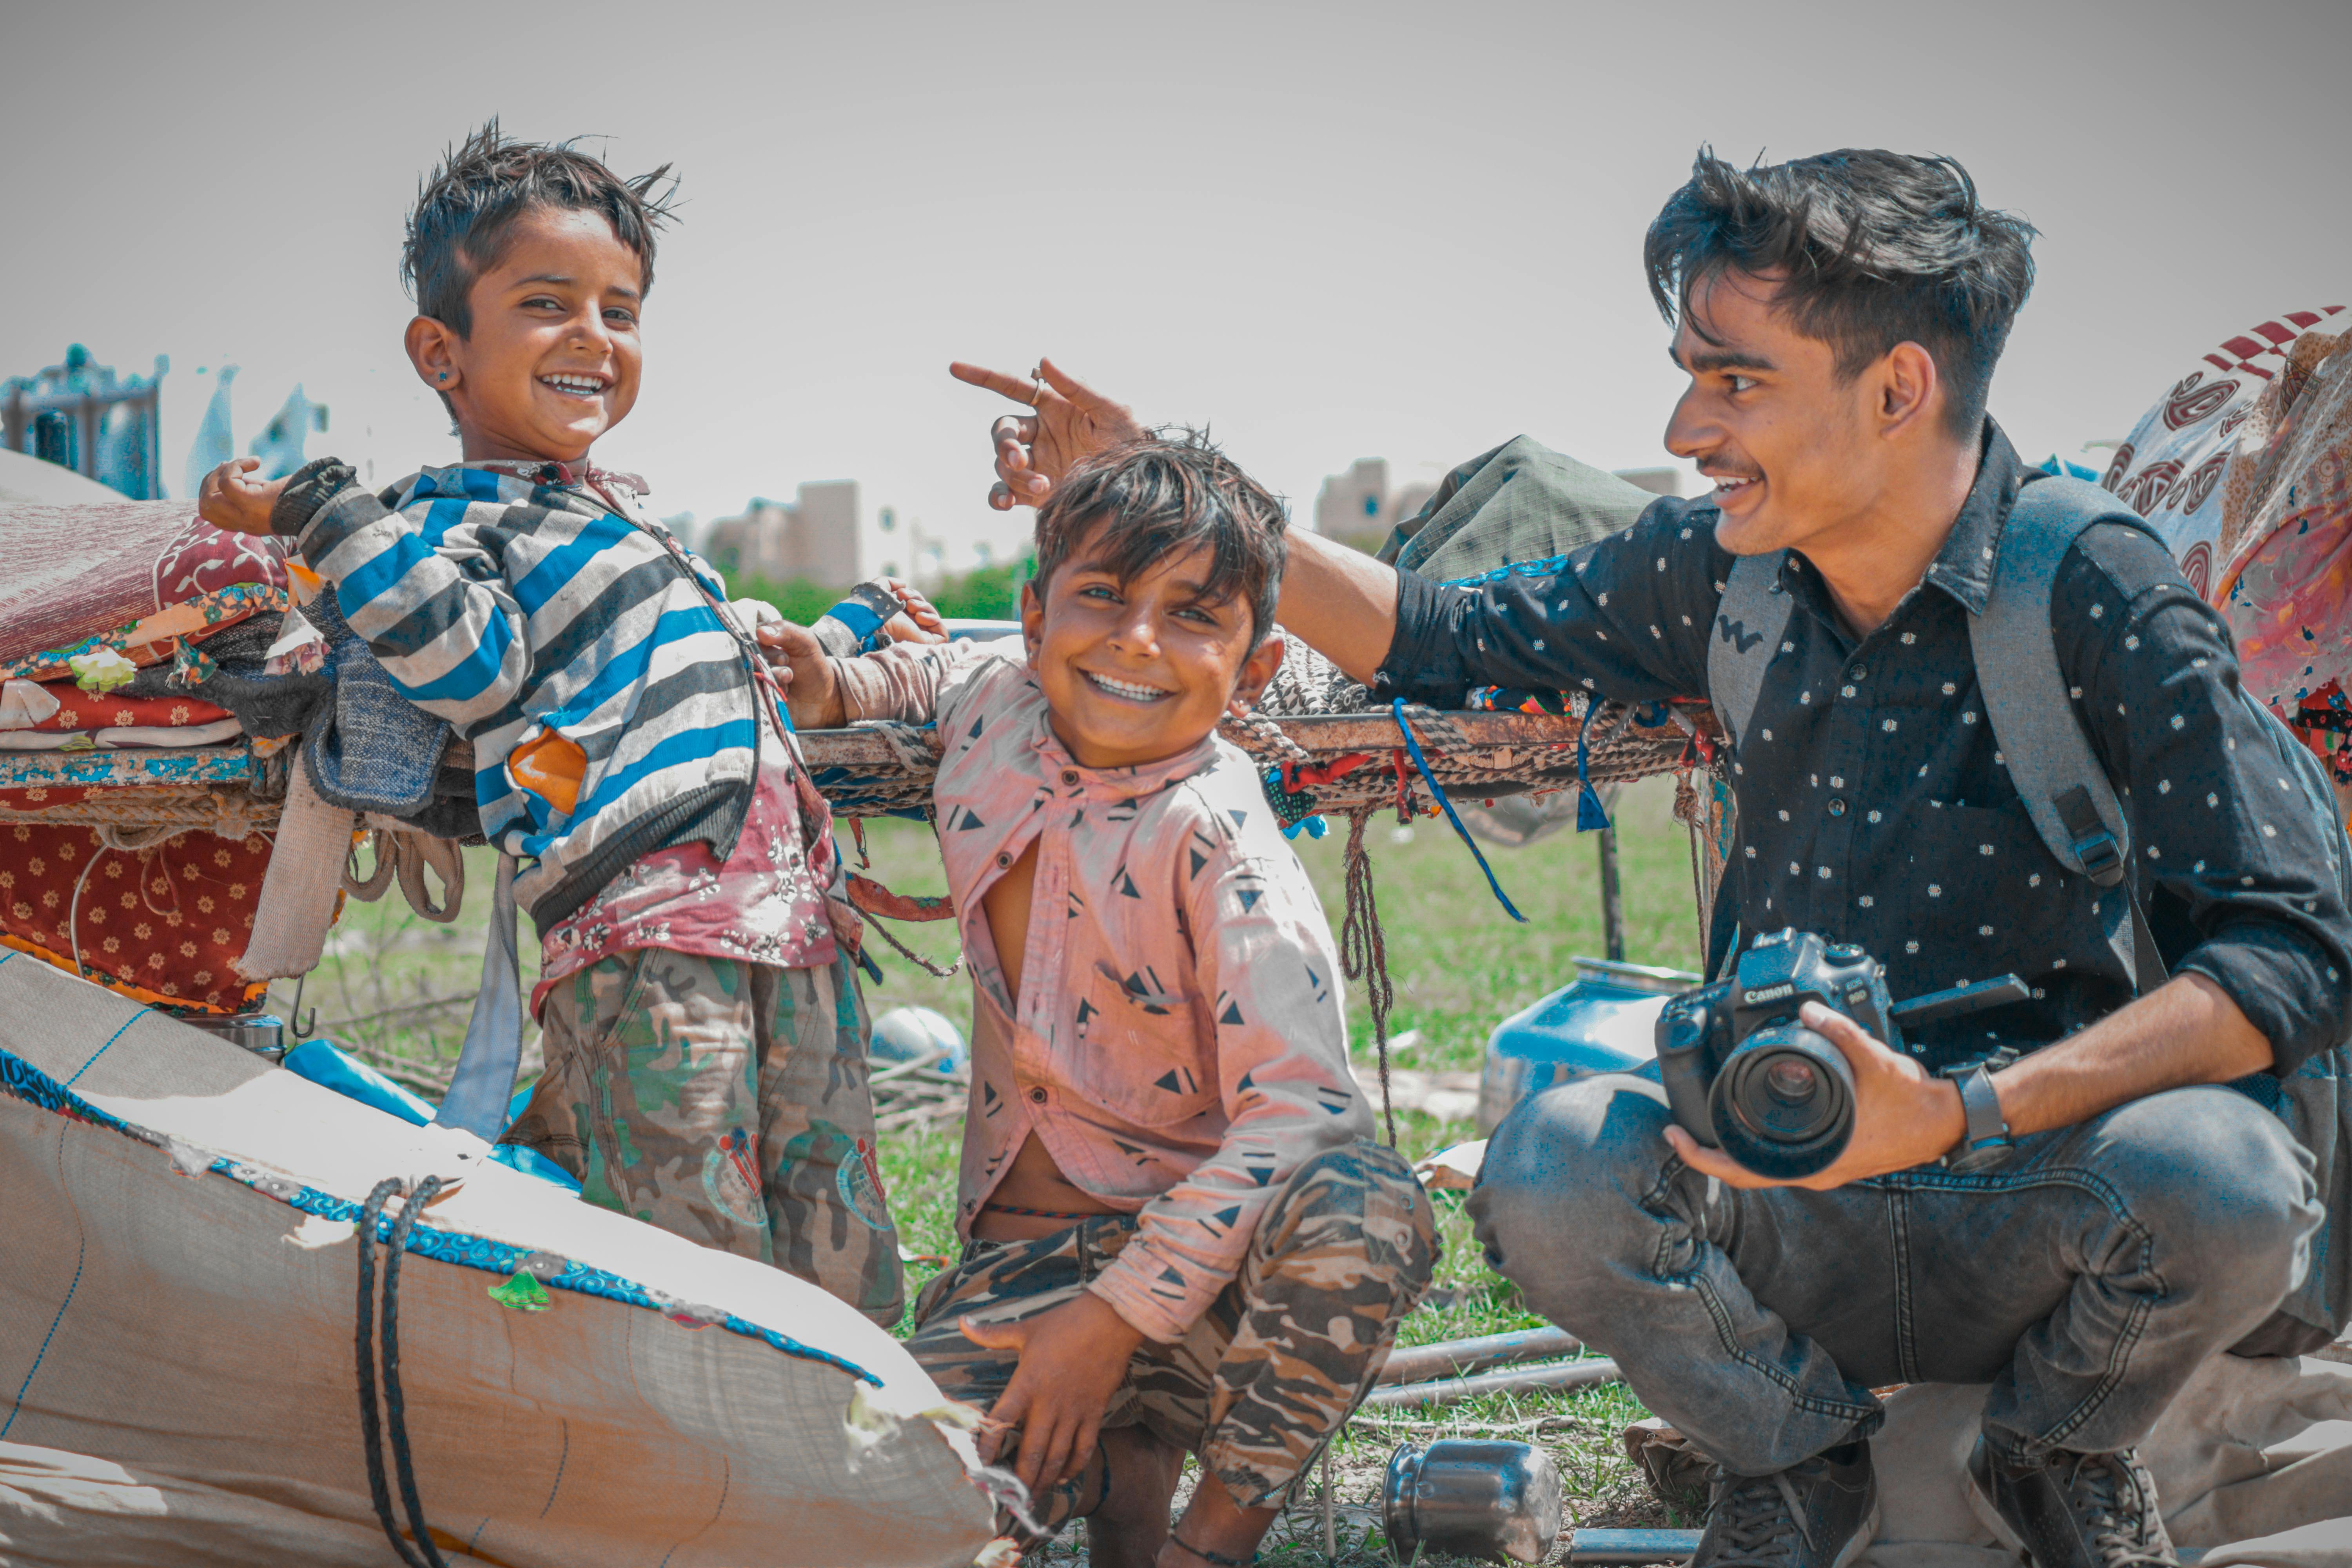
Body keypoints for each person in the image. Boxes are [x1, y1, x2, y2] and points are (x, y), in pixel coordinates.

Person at [955, 149, 2352, 1568]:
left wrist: (1955, 1113)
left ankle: (2060, 1449)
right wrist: (1189, 493)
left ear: (1898, 390)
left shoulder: (2097, 587)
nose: (1687, 427)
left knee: (2229, 1177)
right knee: (1549, 1161)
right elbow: (1439, 633)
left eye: (1734, 380)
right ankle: (1796, 1457)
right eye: (1689, 373)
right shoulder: (1717, 575)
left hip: (2040, 1195)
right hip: (1779, 1202)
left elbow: (2286, 955)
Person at [194, 123, 931, 1325]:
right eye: (549, 303)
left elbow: (712, 663)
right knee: (693, 1249)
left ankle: (839, 1459)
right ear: (442, 352)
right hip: (647, 937)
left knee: (831, 1229)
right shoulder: (447, 525)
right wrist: (316, 509)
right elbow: (470, 666)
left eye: (622, 310)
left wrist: (849, 627)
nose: (595, 335)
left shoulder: (617, 525)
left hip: (793, 927)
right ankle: (694, 1477)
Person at [769, 433, 1437, 1568]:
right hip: (1011, 1278)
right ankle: (1109, 1471)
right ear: (1033, 619)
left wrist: (1113, 1317)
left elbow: (1310, 1115)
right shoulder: (998, 706)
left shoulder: (1224, 849)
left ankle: (1205, 1545)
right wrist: (838, 682)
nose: (1137, 640)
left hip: (1207, 1290)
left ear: (1257, 666)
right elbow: (936, 674)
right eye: (1104, 596)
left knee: (1367, 1206)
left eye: (1194, 614)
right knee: (869, 1509)